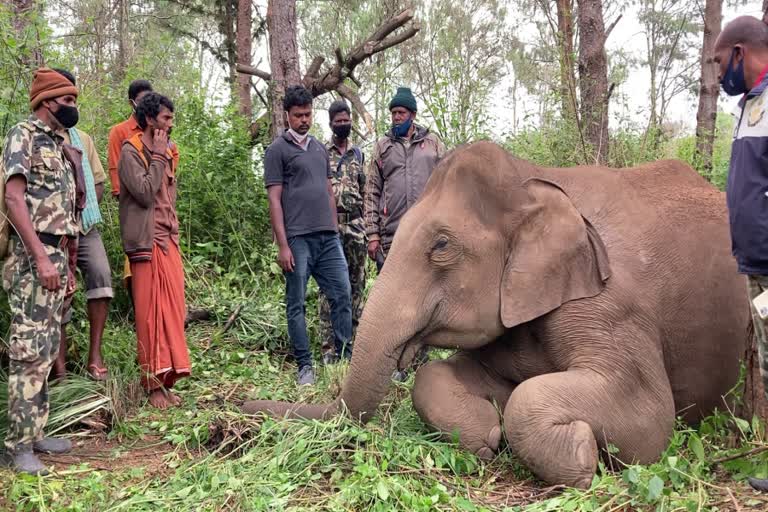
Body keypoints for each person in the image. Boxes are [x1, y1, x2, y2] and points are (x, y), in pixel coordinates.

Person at [1, 68, 82, 474]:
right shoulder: (24, 135)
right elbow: (14, 199)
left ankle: (35, 433)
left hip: (55, 254)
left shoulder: (59, 143)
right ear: (47, 101)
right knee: (29, 349)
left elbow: (64, 211)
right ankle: (17, 446)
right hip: (33, 256)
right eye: (67, 101)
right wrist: (39, 256)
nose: (73, 107)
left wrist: (64, 262)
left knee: (48, 347)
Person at [264, 85, 353, 386]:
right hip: (297, 240)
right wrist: (283, 245)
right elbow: (274, 199)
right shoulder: (277, 151)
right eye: (299, 115)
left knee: (342, 294)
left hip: (328, 239)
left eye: (308, 114)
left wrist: (334, 228)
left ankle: (344, 359)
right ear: (287, 115)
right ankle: (305, 367)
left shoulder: (317, 148)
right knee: (297, 303)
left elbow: (328, 190)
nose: (304, 120)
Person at [715, 15, 768, 493]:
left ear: (739, 53)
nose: (718, 75)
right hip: (757, 265)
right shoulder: (752, 105)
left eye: (720, 61)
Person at [363, 86, 445, 381]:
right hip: (391, 237)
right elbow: (371, 191)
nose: (396, 117)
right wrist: (372, 233)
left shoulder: (433, 144)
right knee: (393, 303)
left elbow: (446, 185)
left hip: (426, 238)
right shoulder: (383, 147)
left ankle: (418, 363)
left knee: (422, 302)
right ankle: (392, 363)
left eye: (401, 113)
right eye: (393, 113)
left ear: (412, 114)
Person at [117, 92, 190, 409]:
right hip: (145, 245)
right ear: (149, 120)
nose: (170, 125)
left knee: (174, 311)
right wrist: (158, 156)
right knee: (149, 315)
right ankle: (152, 385)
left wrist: (164, 154)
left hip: (167, 240)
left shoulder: (170, 150)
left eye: (172, 119)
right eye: (166, 119)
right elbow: (145, 194)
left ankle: (168, 380)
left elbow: (167, 199)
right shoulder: (130, 151)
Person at [49, 69, 113, 382]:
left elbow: (98, 181)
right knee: (58, 291)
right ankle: (59, 369)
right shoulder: (36, 138)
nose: (72, 104)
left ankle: (94, 356)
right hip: (51, 233)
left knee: (101, 275)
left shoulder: (82, 139)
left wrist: (81, 209)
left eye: (75, 98)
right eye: (66, 98)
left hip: (85, 227)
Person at [107, 80, 179, 295]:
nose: (170, 124)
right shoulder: (122, 135)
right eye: (166, 118)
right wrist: (135, 219)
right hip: (140, 225)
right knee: (144, 289)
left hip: (166, 230)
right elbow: (126, 184)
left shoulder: (168, 145)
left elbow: (169, 185)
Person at [317, 99, 367, 365]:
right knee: (330, 289)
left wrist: (369, 229)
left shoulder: (358, 154)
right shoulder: (321, 153)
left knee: (356, 288)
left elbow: (366, 191)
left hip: (356, 227)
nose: (344, 124)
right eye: (339, 121)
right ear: (331, 123)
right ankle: (329, 349)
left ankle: (353, 348)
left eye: (347, 119)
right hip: (329, 228)